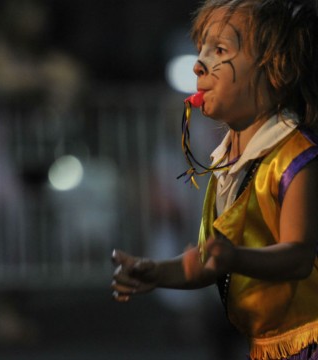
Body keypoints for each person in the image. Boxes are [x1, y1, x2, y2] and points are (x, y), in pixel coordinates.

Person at [111, 0, 318, 359]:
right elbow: (209, 260)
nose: (198, 63)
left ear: (274, 72)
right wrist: (158, 272)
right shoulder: (225, 161)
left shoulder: (295, 157)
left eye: (219, 50)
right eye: (201, 49)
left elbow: (298, 257)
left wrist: (234, 258)